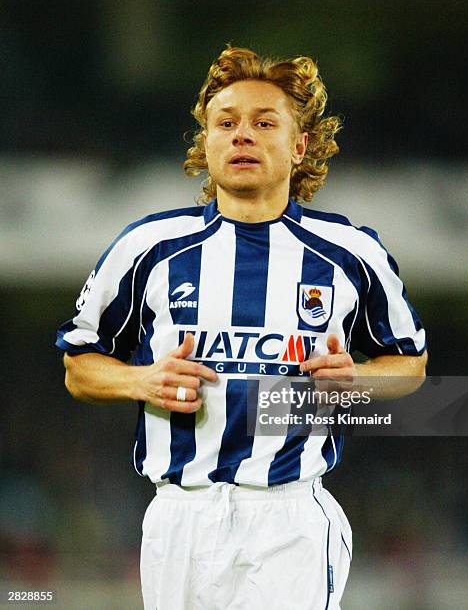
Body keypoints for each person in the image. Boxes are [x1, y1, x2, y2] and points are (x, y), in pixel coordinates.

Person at [56, 46, 427, 609]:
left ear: (300, 145)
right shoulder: (147, 248)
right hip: (178, 516)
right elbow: (78, 365)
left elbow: (411, 366)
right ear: (205, 144)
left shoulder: (352, 252)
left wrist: (358, 381)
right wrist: (141, 381)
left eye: (263, 123)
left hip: (289, 517)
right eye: (225, 124)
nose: (242, 136)